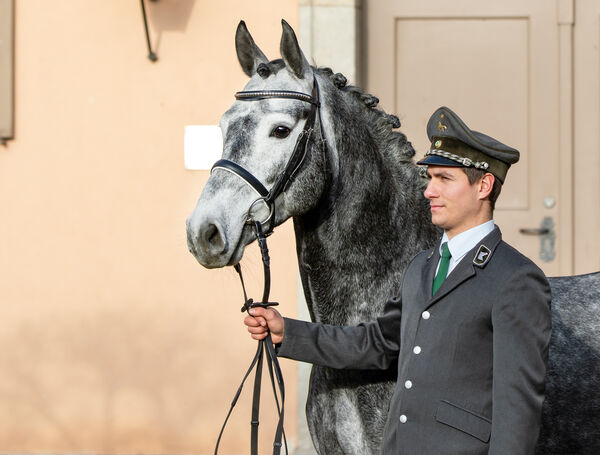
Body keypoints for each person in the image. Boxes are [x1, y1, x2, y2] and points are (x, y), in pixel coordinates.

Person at [244, 106, 552, 455]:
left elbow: (518, 413)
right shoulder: (422, 266)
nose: (428, 191)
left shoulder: (516, 279)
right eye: (430, 177)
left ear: (484, 185)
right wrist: (289, 332)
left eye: (444, 179)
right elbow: (377, 343)